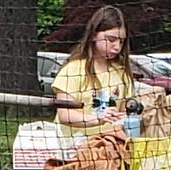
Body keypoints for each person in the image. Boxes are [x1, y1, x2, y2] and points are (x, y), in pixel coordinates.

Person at [51, 5, 135, 137]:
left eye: (121, 41)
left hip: (107, 147)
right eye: (111, 39)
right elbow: (65, 114)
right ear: (94, 35)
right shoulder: (73, 70)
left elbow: (123, 115)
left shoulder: (122, 74)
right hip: (71, 146)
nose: (117, 47)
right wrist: (98, 119)